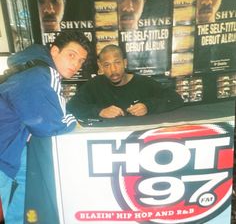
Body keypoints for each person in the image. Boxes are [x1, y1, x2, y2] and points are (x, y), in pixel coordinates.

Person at [0, 30, 90, 223]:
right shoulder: (43, 72)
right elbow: (49, 125)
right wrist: (75, 121)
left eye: (81, 60)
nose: (76, 64)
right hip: (2, 157)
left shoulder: (29, 68)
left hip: (9, 151)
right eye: (71, 55)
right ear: (54, 51)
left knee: (28, 180)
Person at [67, 44, 184, 119]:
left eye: (117, 63)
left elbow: (175, 98)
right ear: (101, 67)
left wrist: (148, 106)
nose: (113, 70)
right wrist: (100, 111)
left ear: (125, 63)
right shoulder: (94, 85)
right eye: (107, 65)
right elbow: (72, 106)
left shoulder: (143, 83)